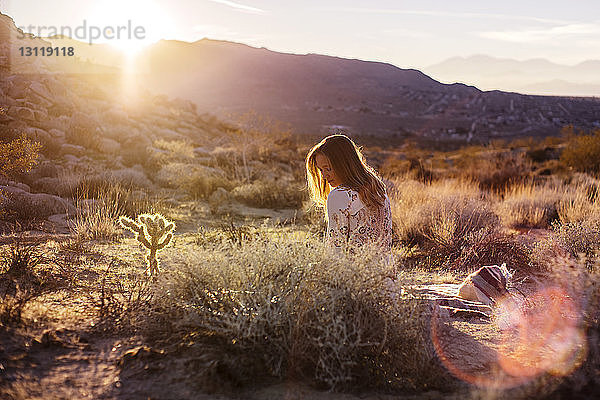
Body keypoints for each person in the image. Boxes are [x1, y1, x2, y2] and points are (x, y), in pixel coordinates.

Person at [305, 134, 393, 261]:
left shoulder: (339, 195)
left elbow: (335, 249)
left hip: (356, 277)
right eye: (321, 170)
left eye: (328, 168)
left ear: (344, 164)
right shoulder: (378, 189)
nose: (324, 176)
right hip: (387, 276)